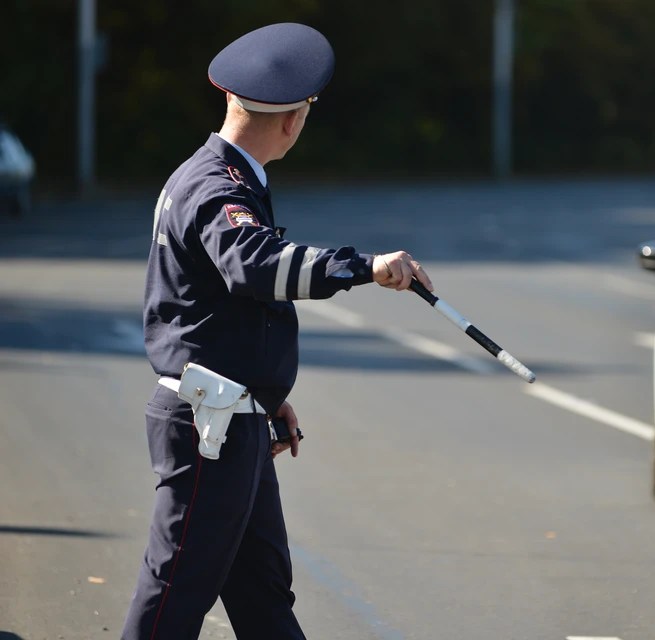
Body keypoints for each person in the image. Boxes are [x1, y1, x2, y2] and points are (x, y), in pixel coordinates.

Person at [120, 23, 433, 640]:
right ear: (293, 120)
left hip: (234, 415)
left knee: (262, 590)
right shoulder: (217, 188)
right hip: (210, 426)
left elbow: (216, 307)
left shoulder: (220, 176)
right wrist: (363, 267)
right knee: (173, 595)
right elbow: (257, 268)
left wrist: (266, 393)